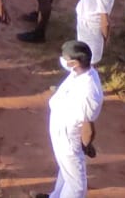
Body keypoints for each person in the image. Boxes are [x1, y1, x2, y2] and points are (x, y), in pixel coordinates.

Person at [34, 41, 103, 198]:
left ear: (74, 63)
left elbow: (88, 128)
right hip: (60, 129)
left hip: (68, 138)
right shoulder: (80, 72)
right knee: (68, 171)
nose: (62, 59)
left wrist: (85, 146)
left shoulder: (90, 91)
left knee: (76, 186)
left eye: (65, 58)